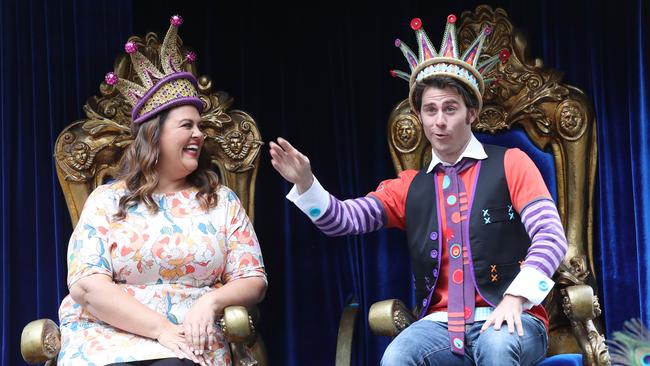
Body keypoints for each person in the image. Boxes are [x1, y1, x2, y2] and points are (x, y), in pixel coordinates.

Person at [270, 15, 567, 366]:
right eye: (430, 110)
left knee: (496, 348)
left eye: (450, 109)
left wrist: (516, 297)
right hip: (439, 327)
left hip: (515, 317)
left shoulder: (511, 163)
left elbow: (551, 236)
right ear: (419, 115)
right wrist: (306, 183)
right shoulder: (410, 186)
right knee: (396, 356)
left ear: (471, 113)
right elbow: (342, 221)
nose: (439, 120)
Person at [57, 15, 266, 366]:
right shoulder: (106, 201)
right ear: (155, 135)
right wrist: (159, 330)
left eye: (201, 126)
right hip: (105, 341)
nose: (199, 134)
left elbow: (253, 280)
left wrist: (209, 303)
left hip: (189, 341)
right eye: (187, 125)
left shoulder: (220, 202)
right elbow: (88, 287)